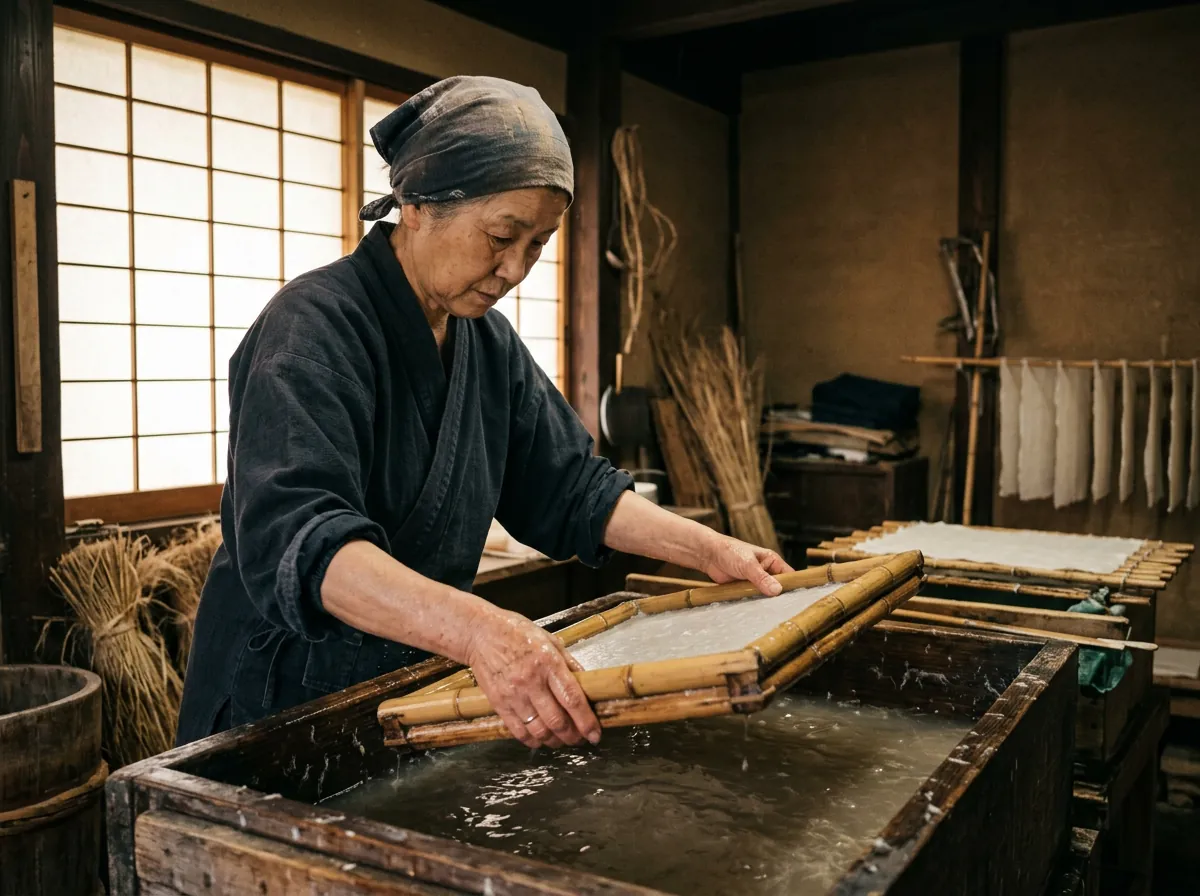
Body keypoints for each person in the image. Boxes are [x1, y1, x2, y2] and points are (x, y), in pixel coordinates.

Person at [177, 76, 790, 750]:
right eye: (501, 235)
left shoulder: (486, 345)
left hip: (403, 690)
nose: (514, 268)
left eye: (537, 245)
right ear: (415, 204)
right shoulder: (312, 327)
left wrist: (712, 550)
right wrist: (480, 630)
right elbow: (307, 544)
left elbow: (570, 487)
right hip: (281, 700)